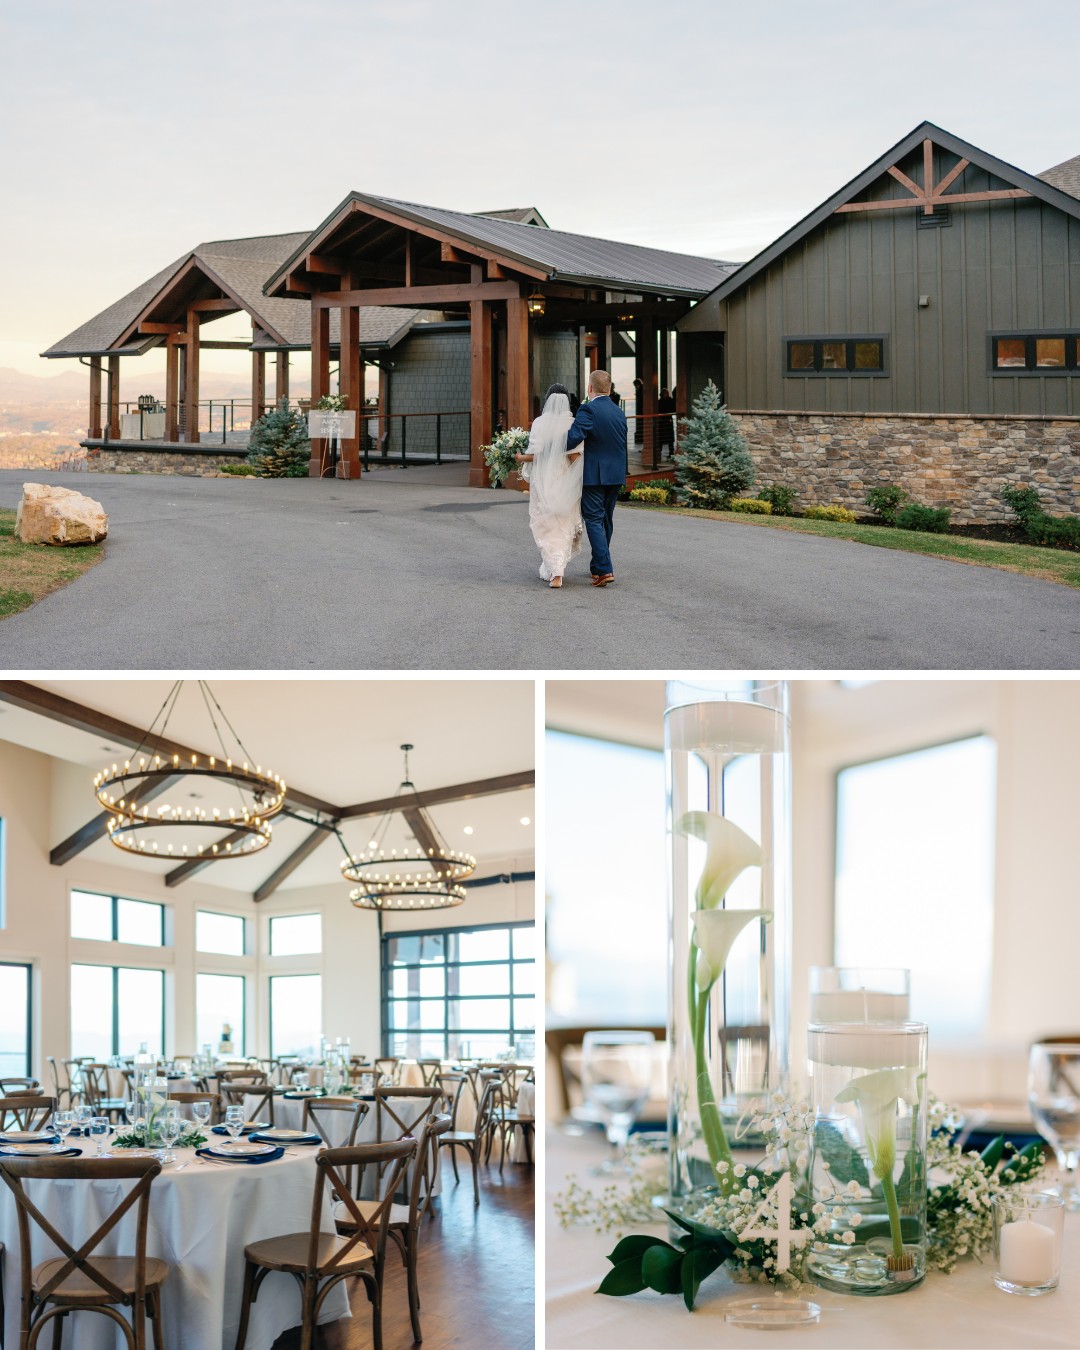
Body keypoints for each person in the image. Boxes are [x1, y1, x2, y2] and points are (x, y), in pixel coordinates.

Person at [513, 384, 583, 588]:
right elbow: (574, 456)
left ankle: (556, 571)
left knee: (545, 522)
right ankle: (555, 568)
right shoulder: (572, 423)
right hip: (564, 476)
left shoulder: (539, 423)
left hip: (544, 478)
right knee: (562, 521)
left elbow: (534, 454)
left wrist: (519, 457)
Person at [564, 369, 627, 587]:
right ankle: (597, 568)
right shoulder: (619, 412)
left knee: (593, 519)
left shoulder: (588, 410)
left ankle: (604, 569)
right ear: (609, 389)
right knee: (605, 520)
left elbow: (573, 438)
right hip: (616, 474)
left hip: (594, 475)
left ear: (590, 388)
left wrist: (554, 443)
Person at [658, 386, 676, 459]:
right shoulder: (667, 401)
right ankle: (660, 452)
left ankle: (671, 453)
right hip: (665, 421)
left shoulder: (662, 401)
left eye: (666, 393)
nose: (665, 395)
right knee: (662, 438)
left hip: (666, 421)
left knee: (669, 438)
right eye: (664, 393)